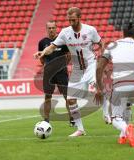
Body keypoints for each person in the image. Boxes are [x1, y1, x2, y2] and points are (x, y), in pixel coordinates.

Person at [34, 7, 104, 137]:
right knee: (71, 99)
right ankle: (80, 129)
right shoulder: (65, 33)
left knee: (98, 89)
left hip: (90, 65)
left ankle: (107, 115)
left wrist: (103, 58)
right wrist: (42, 52)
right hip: (77, 70)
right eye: (69, 20)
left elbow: (101, 43)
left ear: (79, 18)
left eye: (73, 20)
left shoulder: (90, 30)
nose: (70, 22)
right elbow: (52, 47)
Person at [37, 20, 71, 124]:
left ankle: (72, 119)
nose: (51, 30)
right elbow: (41, 57)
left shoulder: (62, 40)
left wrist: (63, 65)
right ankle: (46, 120)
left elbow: (69, 55)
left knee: (67, 96)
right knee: (48, 96)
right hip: (49, 74)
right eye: (49, 28)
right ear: (46, 29)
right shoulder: (42, 42)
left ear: (56, 28)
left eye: (53, 28)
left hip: (61, 72)